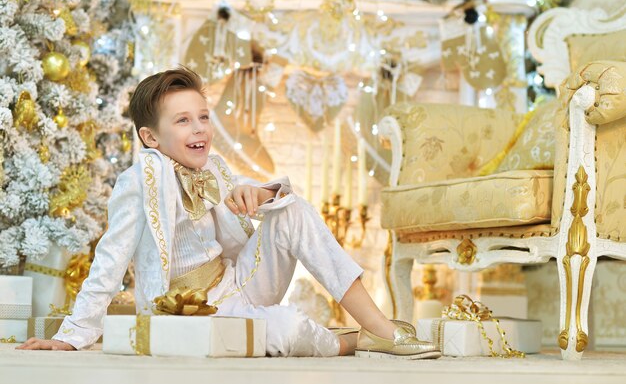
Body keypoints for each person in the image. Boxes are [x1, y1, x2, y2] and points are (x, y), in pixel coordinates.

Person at [17, 67, 440, 359]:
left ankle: (380, 328)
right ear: (151, 137)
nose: (199, 128)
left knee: (293, 212)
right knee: (289, 329)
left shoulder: (214, 167)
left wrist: (258, 193)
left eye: (203, 116)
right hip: (189, 311)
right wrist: (71, 338)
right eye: (182, 120)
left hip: (239, 283)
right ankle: (353, 342)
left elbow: (270, 197)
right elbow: (109, 260)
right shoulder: (139, 181)